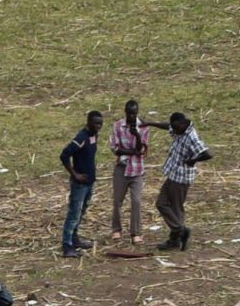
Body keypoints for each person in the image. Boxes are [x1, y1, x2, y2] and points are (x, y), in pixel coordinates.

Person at [154, 112, 211, 252]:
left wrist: (192, 160)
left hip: (181, 178)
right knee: (169, 206)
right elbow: (168, 126)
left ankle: (179, 232)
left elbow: (207, 154)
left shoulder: (191, 136)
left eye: (175, 127)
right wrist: (150, 123)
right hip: (174, 175)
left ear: (182, 124)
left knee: (168, 205)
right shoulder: (179, 128)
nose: (174, 130)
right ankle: (176, 237)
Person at [59, 110, 100, 256]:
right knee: (74, 213)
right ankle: (67, 245)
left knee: (81, 212)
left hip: (89, 182)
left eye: (100, 124)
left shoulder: (94, 136)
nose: (98, 126)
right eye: (95, 123)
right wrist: (74, 173)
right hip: (80, 184)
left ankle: (75, 239)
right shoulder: (81, 137)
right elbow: (64, 155)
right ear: (88, 122)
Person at [109, 99, 150, 243]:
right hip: (122, 167)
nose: (132, 117)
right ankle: (116, 229)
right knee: (117, 201)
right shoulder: (118, 125)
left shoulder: (143, 126)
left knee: (136, 201)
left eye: (134, 114)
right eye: (130, 114)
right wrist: (132, 151)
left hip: (137, 169)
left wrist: (137, 135)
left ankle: (135, 232)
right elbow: (115, 148)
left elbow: (142, 150)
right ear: (126, 112)